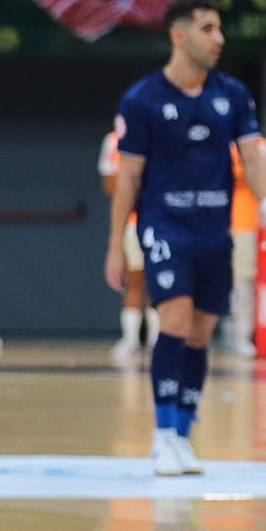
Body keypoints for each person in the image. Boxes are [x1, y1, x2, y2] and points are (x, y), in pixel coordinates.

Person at [105, 0, 266, 476]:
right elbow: (128, 179)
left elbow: (251, 158)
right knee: (176, 321)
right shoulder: (142, 99)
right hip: (165, 226)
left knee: (201, 333)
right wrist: (115, 245)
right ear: (179, 36)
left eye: (220, 28)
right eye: (208, 28)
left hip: (214, 230)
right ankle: (163, 435)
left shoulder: (233, 94)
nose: (219, 38)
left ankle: (183, 434)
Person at [99, 124, 155, 360]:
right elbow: (111, 184)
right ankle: (131, 340)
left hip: (161, 221)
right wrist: (131, 187)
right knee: (134, 280)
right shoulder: (113, 141)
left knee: (159, 282)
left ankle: (158, 341)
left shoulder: (160, 136)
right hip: (132, 222)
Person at [226, 143, 260, 356]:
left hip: (244, 224)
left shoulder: (259, 146)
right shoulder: (216, 140)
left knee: (243, 283)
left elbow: (255, 178)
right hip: (213, 223)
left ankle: (242, 336)